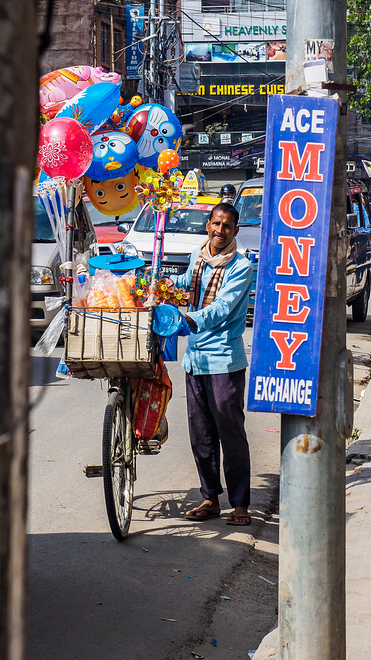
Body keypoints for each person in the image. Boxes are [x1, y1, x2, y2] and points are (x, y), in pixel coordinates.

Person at [168, 203, 254, 526]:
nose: (220, 231)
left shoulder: (241, 268)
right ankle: (210, 499)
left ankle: (240, 504)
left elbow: (220, 309)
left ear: (235, 230)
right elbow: (184, 285)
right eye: (216, 224)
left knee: (230, 434)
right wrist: (161, 286)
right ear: (208, 225)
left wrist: (187, 320)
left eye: (227, 226)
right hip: (195, 360)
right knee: (201, 435)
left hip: (224, 362)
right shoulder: (198, 257)